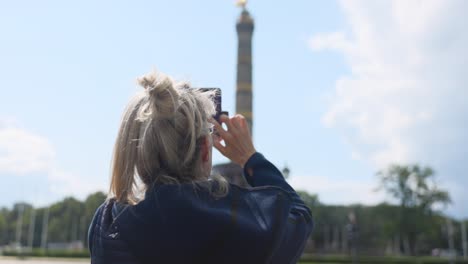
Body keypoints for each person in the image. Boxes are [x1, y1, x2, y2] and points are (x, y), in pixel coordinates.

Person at [88, 70, 313, 264]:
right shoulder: (245, 227)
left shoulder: (107, 224)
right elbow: (299, 216)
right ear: (206, 149)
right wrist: (250, 158)